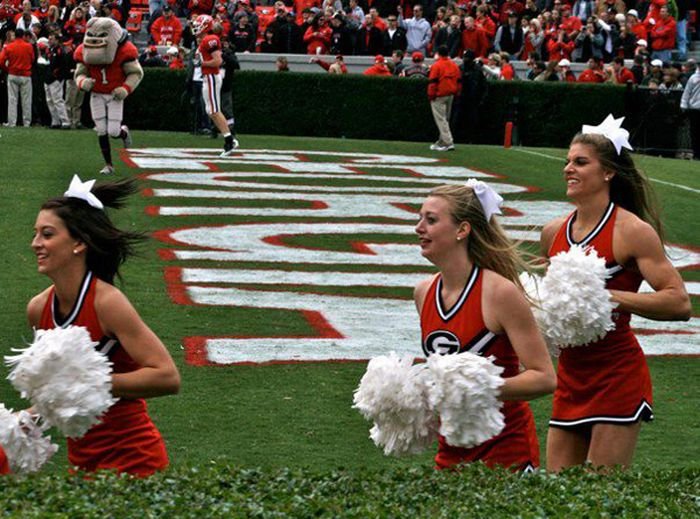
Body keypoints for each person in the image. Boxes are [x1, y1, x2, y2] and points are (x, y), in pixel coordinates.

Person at [540, 115, 691, 472]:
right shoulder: (553, 233)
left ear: (608, 172)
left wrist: (610, 298)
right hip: (570, 377)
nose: (568, 169)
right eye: (567, 161)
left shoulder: (631, 231)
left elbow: (678, 301)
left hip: (616, 375)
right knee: (554, 492)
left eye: (580, 162)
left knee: (598, 494)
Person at [28, 175, 181, 476]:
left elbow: (167, 377)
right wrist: (25, 421)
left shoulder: (107, 303)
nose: (35, 244)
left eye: (47, 234)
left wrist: (92, 383)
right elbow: (59, 390)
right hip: (82, 464)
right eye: (35, 234)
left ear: (79, 243)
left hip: (135, 461)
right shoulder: (38, 309)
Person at [414, 181, 556, 471]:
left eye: (431, 220)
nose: (419, 227)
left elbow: (544, 378)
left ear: (462, 230)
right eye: (420, 218)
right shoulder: (423, 292)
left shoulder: (499, 293)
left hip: (506, 449)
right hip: (450, 448)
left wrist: (479, 387)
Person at [74, 17, 142, 175]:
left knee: (113, 131)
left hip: (114, 94)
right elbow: (79, 73)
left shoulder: (125, 51)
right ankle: (109, 165)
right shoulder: (83, 51)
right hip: (97, 93)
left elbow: (136, 73)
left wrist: (125, 88)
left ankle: (123, 132)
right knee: (101, 129)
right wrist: (82, 82)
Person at [193, 14, 238, 156]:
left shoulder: (210, 39)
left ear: (206, 25)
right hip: (208, 77)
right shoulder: (205, 39)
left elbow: (217, 61)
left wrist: (202, 63)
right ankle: (229, 138)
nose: (196, 27)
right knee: (211, 110)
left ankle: (229, 141)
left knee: (214, 110)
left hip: (212, 76)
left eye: (199, 24)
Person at [0, 27, 34, 127]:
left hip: (12, 74)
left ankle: (12, 122)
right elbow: (32, 59)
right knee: (26, 100)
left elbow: (1, 60)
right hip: (25, 75)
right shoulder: (29, 46)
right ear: (23, 36)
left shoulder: (9, 47)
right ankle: (27, 122)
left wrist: (7, 69)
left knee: (12, 99)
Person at [428, 45, 460, 152]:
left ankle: (448, 142)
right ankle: (441, 141)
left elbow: (433, 82)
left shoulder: (436, 65)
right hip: (450, 94)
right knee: (445, 119)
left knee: (441, 119)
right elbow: (458, 81)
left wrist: (431, 95)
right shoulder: (454, 65)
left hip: (439, 95)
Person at [680, 63, 700, 160]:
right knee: (694, 132)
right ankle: (696, 153)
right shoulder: (693, 78)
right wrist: (684, 105)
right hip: (694, 109)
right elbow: (687, 92)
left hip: (694, 108)